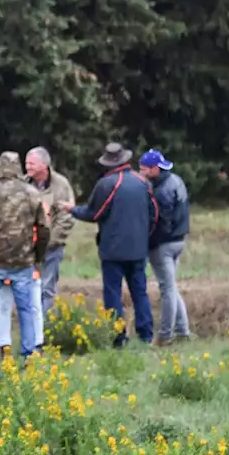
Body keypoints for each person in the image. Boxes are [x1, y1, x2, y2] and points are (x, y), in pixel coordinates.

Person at [60, 142, 157, 347]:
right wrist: (143, 236)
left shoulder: (107, 184)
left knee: (113, 294)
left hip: (113, 251)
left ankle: (118, 337)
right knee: (140, 292)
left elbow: (94, 213)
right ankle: (146, 335)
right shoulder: (143, 182)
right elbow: (154, 215)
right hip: (139, 249)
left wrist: (71, 209)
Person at [0, 151, 49, 365]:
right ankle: (28, 355)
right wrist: (36, 255)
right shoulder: (32, 193)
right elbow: (44, 228)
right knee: (26, 309)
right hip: (22, 262)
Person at [139, 149, 192, 345]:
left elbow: (161, 223)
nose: (141, 172)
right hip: (179, 240)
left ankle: (165, 335)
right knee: (172, 287)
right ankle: (183, 331)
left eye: (144, 169)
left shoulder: (160, 191)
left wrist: (147, 243)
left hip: (164, 245)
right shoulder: (176, 180)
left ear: (155, 169)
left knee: (167, 289)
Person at [24, 146, 74, 315]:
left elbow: (66, 217)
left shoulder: (61, 185)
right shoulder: (23, 185)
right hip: (28, 250)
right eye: (26, 163)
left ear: (44, 165)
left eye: (31, 163)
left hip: (52, 248)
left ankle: (46, 330)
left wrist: (49, 242)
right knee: (29, 289)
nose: (28, 167)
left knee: (47, 288)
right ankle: (31, 330)